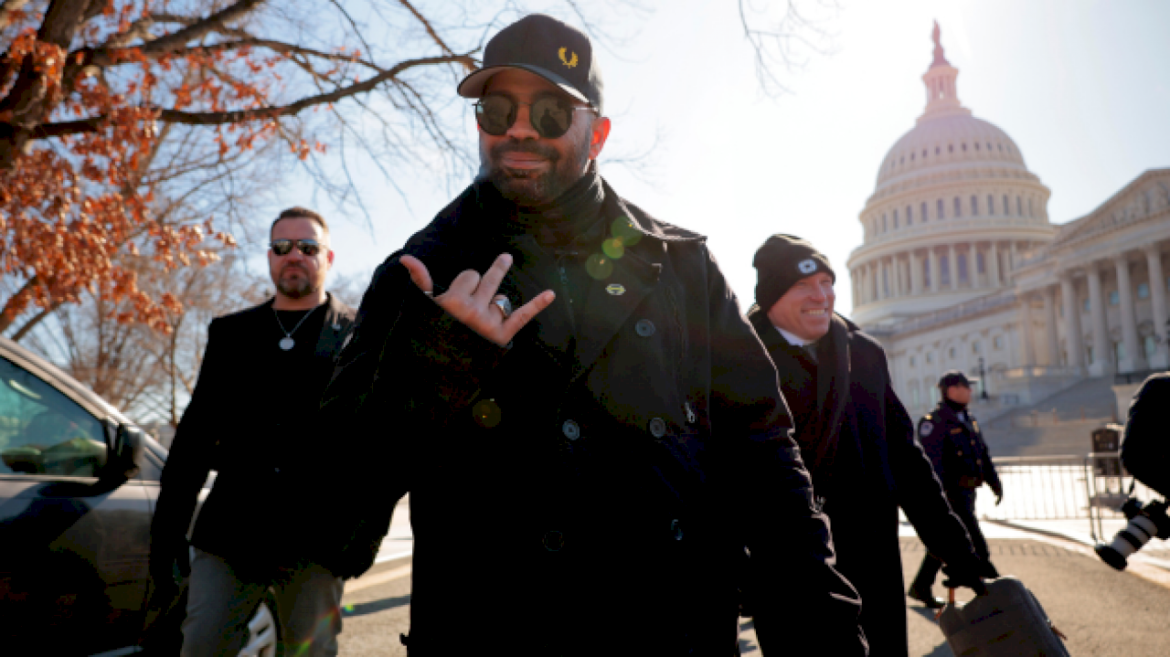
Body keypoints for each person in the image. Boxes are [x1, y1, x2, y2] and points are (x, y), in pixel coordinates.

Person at [319, 14, 866, 656]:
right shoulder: (420, 275)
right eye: (497, 109)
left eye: (551, 110)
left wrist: (823, 635)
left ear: (597, 133)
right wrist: (436, 367)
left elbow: (765, 459)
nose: (520, 127)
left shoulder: (683, 267)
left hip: (673, 636)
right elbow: (333, 527)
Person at [745, 235, 989, 656]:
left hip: (870, 558)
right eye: (803, 286)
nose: (821, 296)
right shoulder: (738, 362)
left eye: (826, 282)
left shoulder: (866, 356)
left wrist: (958, 551)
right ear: (772, 297)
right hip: (789, 567)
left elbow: (907, 462)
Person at [148, 207, 356, 656]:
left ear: (329, 256)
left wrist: (362, 533)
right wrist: (166, 534)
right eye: (282, 247)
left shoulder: (358, 335)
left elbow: (378, 442)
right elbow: (194, 441)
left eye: (307, 247)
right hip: (231, 533)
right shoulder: (231, 334)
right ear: (269, 257)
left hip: (316, 540)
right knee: (202, 645)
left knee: (310, 652)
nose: (293, 255)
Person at [910, 371, 1004, 606]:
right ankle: (995, 599)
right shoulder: (934, 423)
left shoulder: (967, 419)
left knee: (943, 543)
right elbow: (932, 465)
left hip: (968, 492)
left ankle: (921, 586)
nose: (971, 391)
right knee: (976, 546)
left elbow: (982, 452)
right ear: (952, 390)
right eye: (966, 386)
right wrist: (940, 498)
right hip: (950, 497)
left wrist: (994, 482)